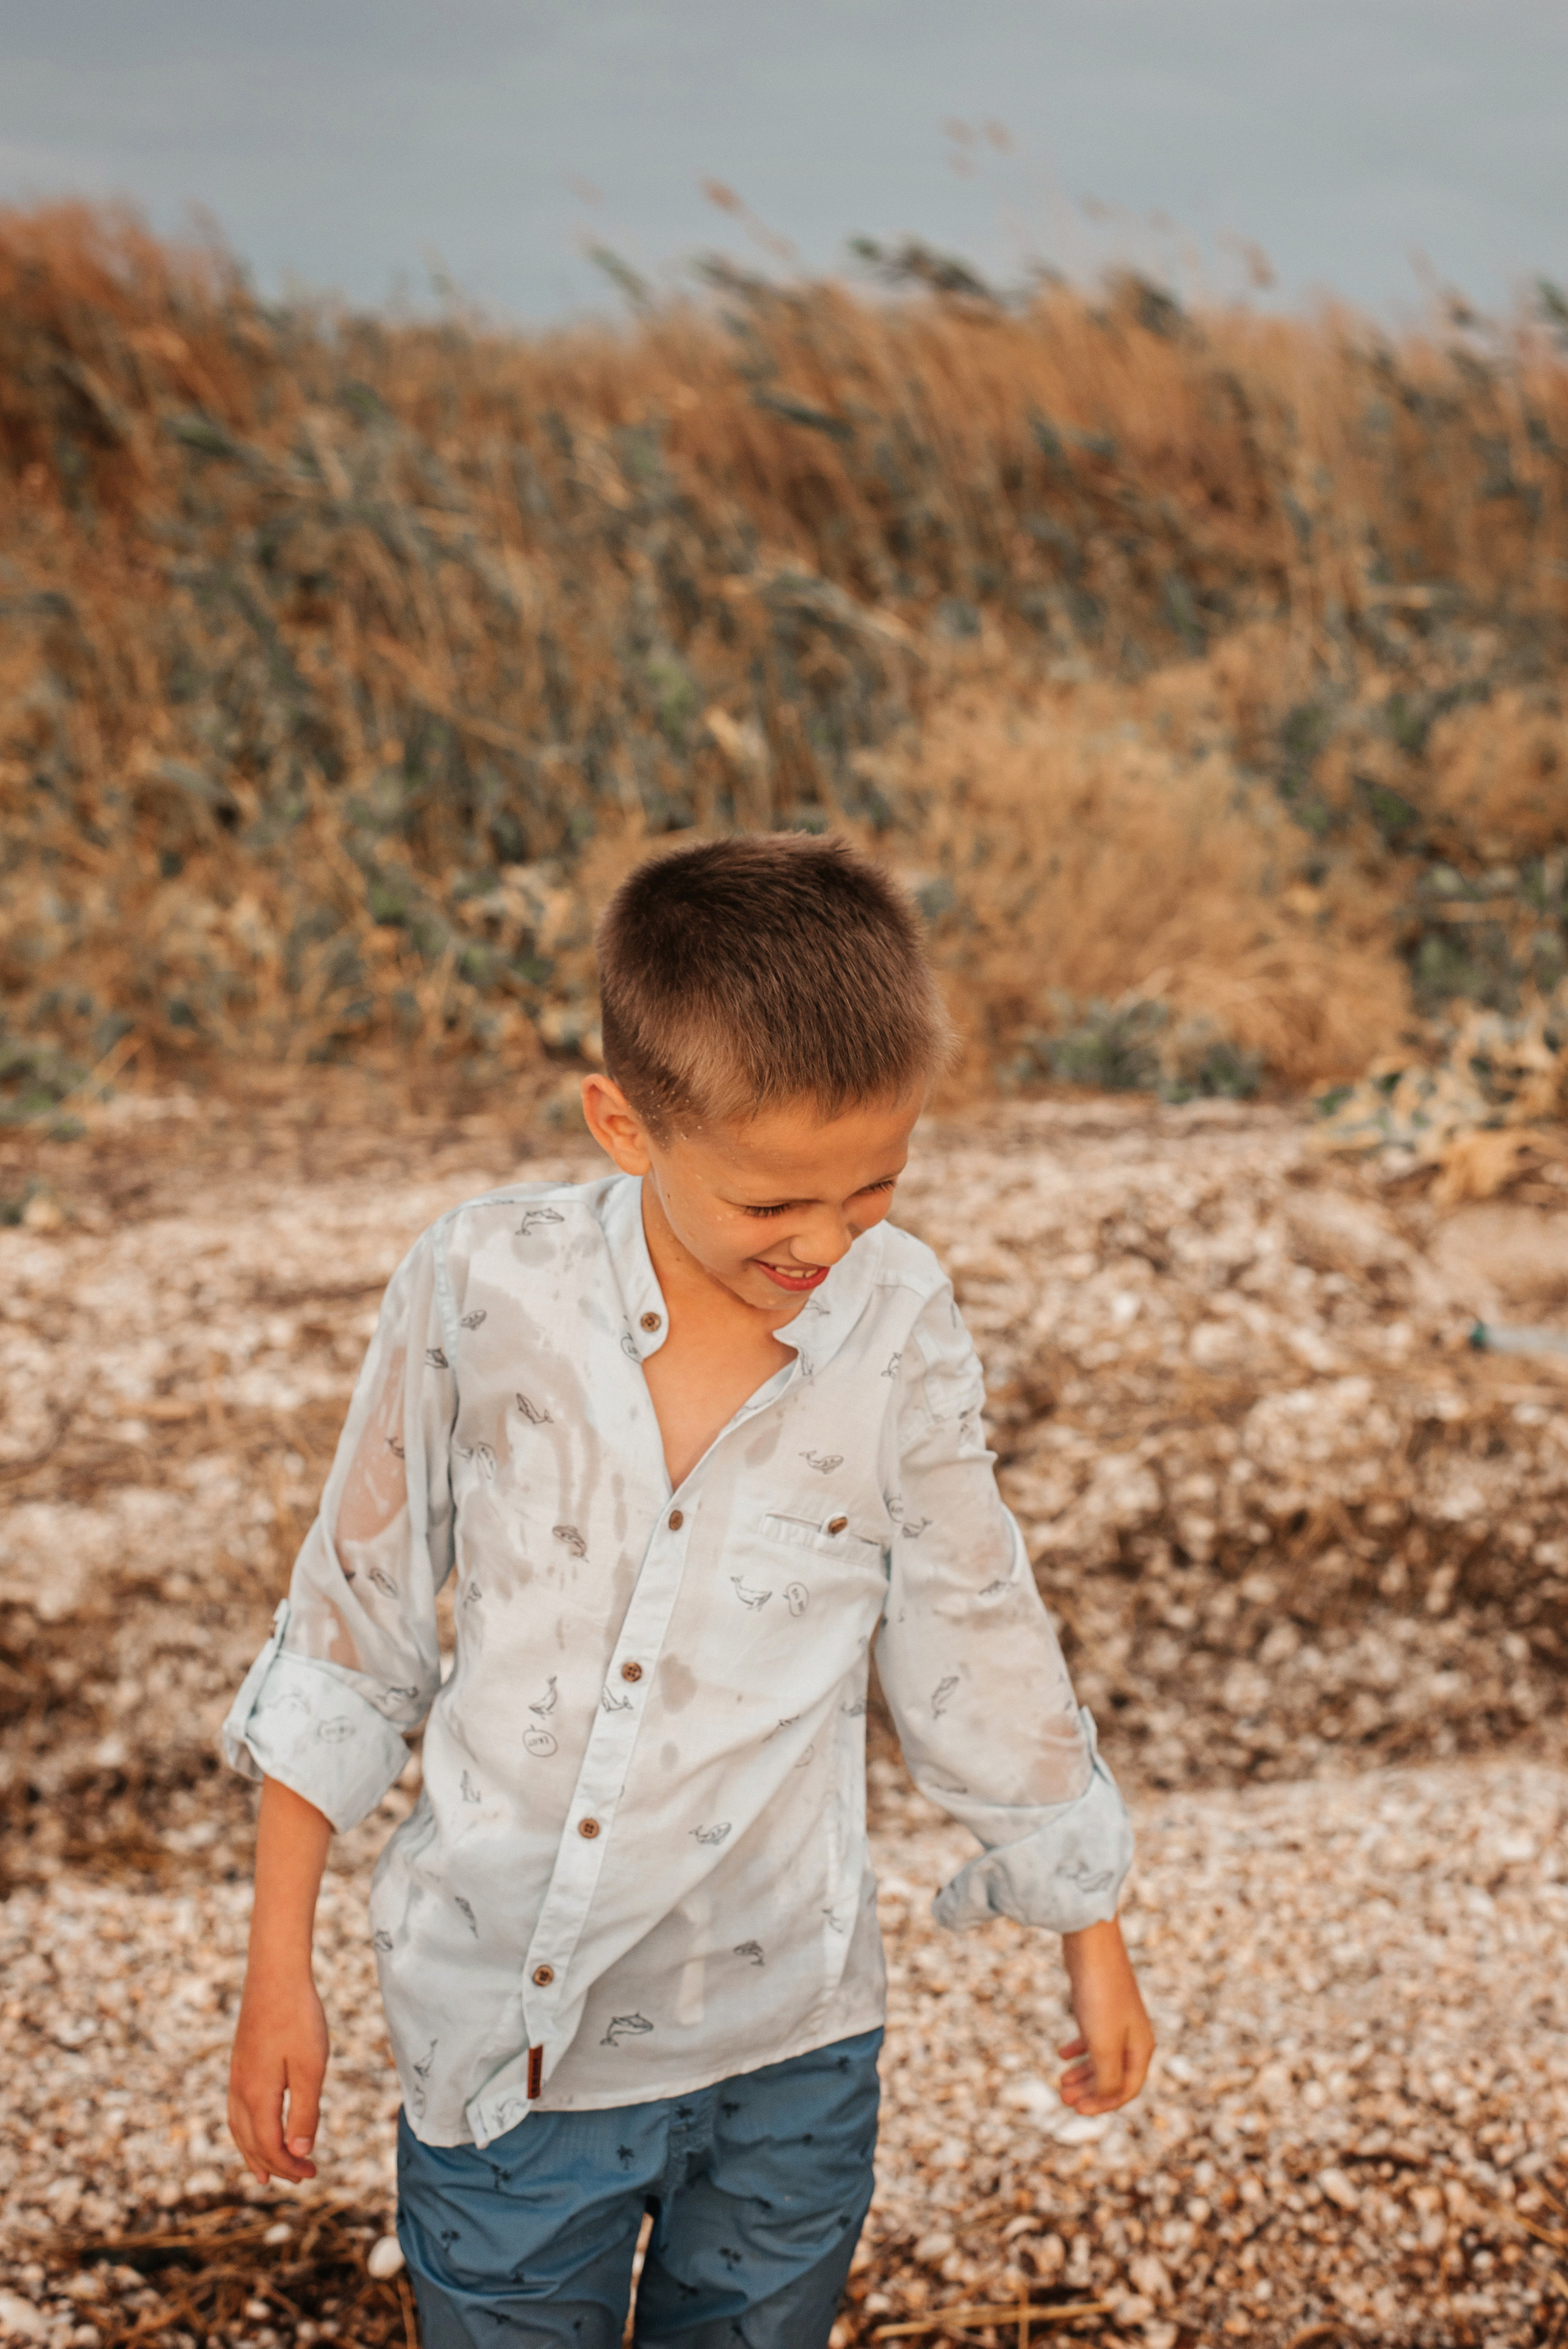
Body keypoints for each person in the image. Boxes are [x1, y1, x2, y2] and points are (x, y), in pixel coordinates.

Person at [224, 833, 1153, 2348]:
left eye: (873, 1186)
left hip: (792, 2051)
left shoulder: (900, 1315)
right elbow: (350, 1625)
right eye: (772, 1203)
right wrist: (280, 1971)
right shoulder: (477, 1288)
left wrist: (1088, 1932)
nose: (825, 1243)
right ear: (622, 1123)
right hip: (505, 2059)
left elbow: (973, 1631)